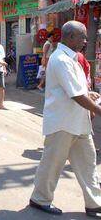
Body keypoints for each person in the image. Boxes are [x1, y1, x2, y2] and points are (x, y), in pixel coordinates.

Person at [29, 21, 101, 217]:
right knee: (52, 164)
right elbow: (76, 95)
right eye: (82, 37)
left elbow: (77, 90)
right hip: (62, 123)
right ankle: (40, 199)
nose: (85, 41)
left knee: (88, 164)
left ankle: (94, 203)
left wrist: (89, 93)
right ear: (70, 37)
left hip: (78, 122)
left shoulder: (72, 58)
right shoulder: (61, 59)